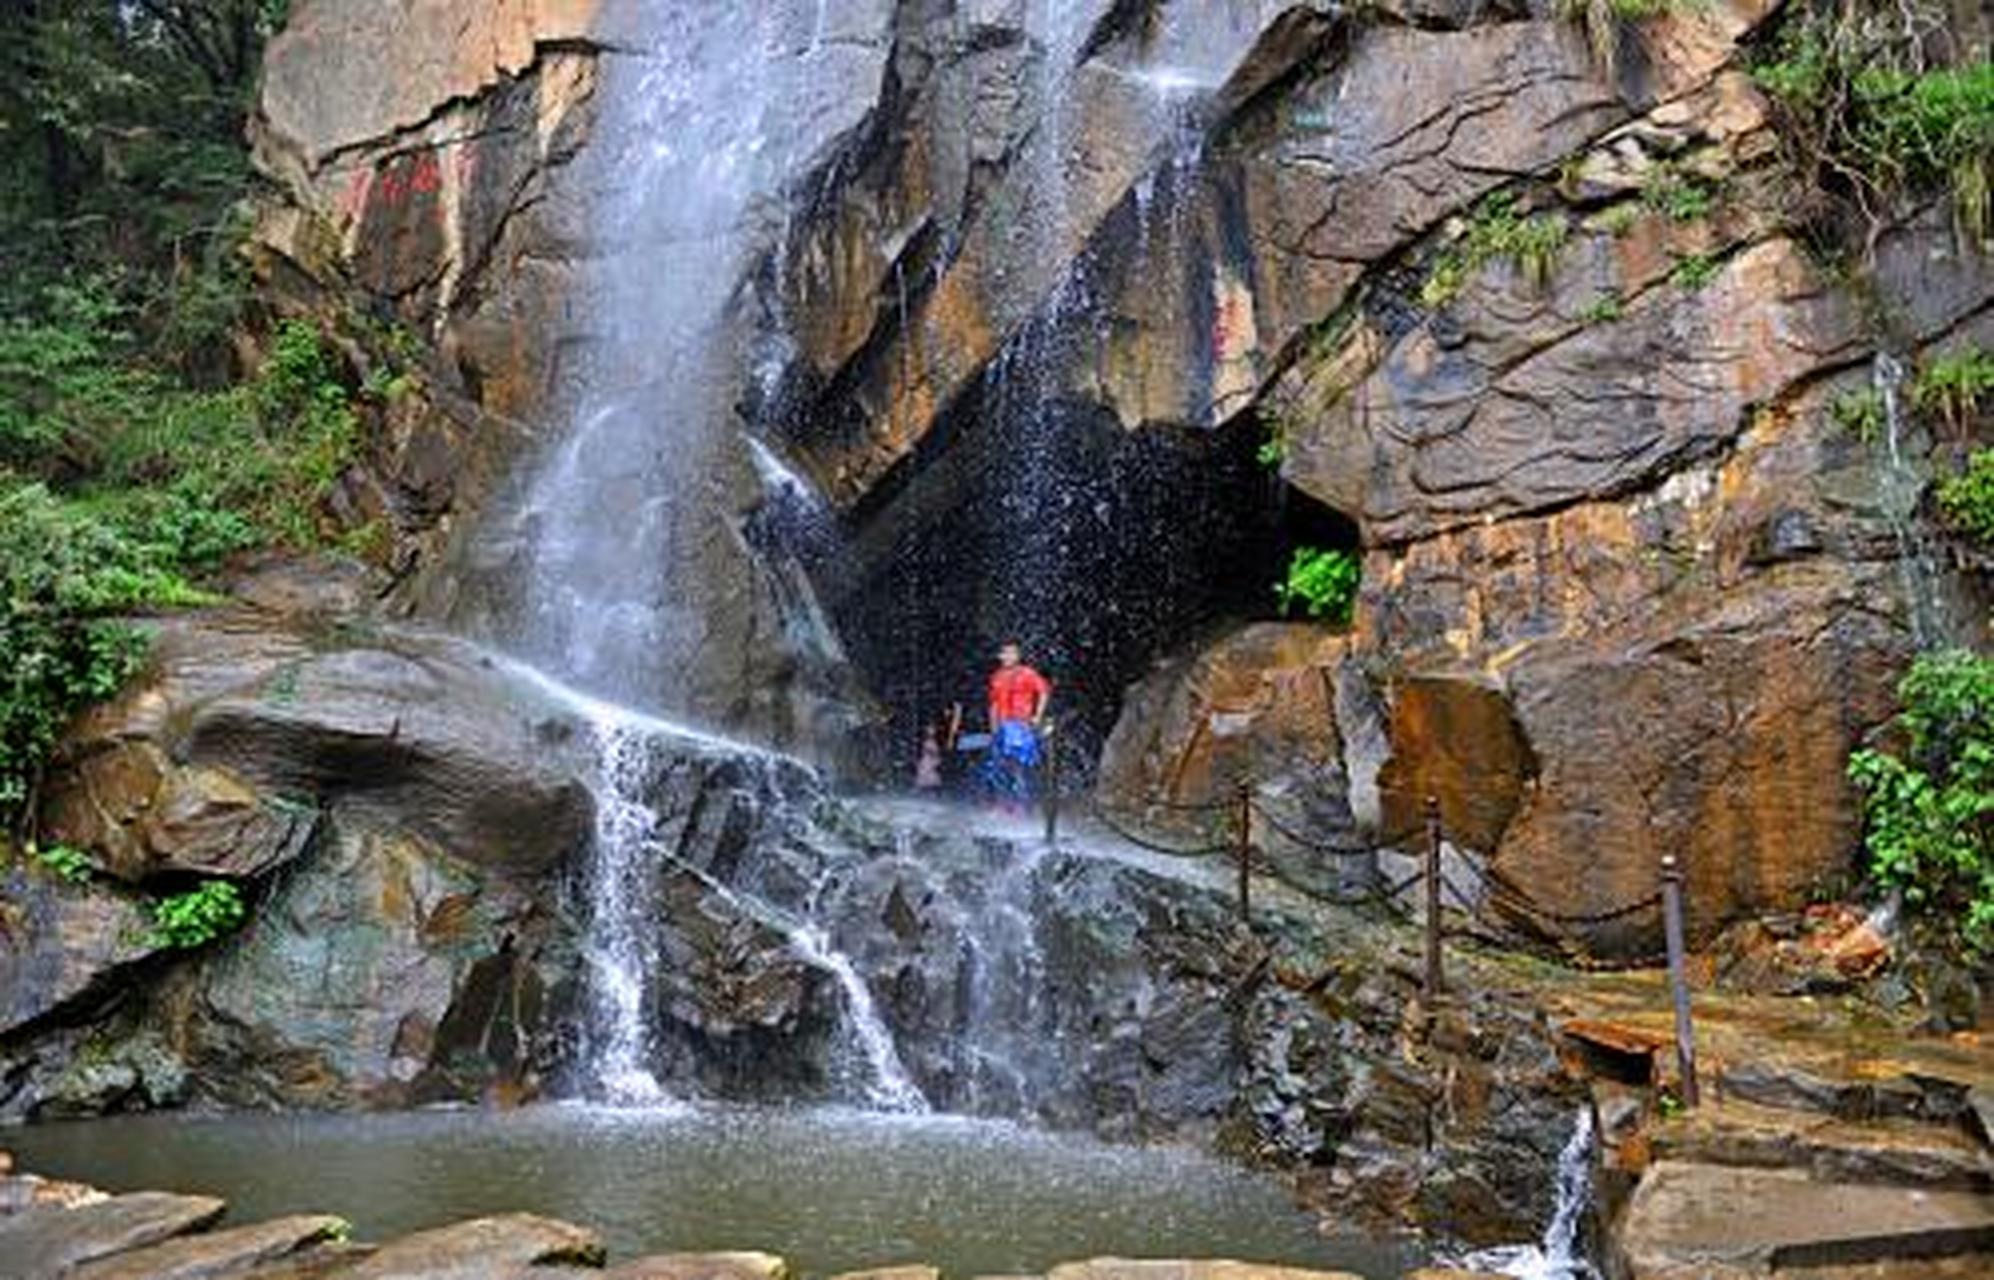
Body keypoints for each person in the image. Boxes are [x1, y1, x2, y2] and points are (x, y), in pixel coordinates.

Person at [984, 641, 1052, 806]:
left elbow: (1044, 691)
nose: (1008, 656)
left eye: (1012, 653)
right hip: (1001, 727)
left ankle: (1021, 808)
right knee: (996, 768)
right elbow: (993, 704)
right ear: (1000, 656)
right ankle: (1002, 805)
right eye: (1005, 653)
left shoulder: (1028, 673)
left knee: (1018, 768)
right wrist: (993, 727)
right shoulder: (996, 676)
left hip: (1020, 726)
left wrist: (1038, 715)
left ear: (1018, 656)